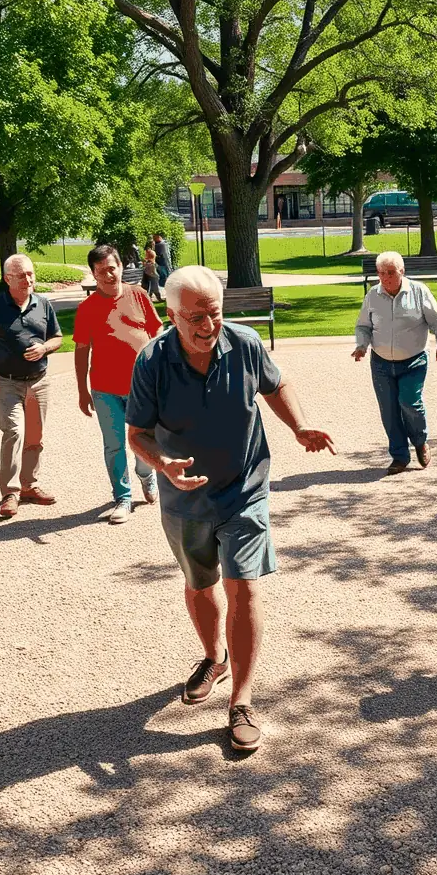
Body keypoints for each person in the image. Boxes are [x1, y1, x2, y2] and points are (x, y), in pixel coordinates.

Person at [126, 265, 336, 752]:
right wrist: (165, 467)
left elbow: (276, 385)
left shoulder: (243, 343)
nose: (207, 326)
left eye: (214, 314)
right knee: (201, 585)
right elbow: (136, 434)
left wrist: (299, 426)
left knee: (244, 587)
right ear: (171, 315)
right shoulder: (152, 361)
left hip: (244, 489)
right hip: (184, 498)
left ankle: (241, 699)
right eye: (195, 317)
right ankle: (213, 658)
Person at [73, 245, 164, 525]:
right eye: (101, 271)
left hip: (141, 386)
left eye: (112, 268)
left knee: (145, 439)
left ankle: (146, 474)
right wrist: (81, 390)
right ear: (93, 274)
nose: (109, 275)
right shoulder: (87, 308)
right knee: (114, 445)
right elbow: (81, 350)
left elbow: (156, 328)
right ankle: (122, 497)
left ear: (120, 267)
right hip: (104, 388)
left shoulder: (138, 294)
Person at [0, 254, 62, 517]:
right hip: (6, 382)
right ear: (7, 279)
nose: (29, 279)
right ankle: (10, 493)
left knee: (35, 436)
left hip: (39, 381)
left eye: (31, 274)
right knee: (13, 432)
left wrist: (44, 348)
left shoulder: (43, 304)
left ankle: (30, 486)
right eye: (22, 275)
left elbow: (57, 337)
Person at [353, 250, 437, 474]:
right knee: (389, 410)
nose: (385, 278)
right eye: (380, 273)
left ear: (402, 271)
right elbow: (363, 326)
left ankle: (420, 441)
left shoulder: (418, 291)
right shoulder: (373, 295)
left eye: (390, 272)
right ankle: (399, 456)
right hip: (381, 363)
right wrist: (361, 345)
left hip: (413, 361)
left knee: (409, 401)